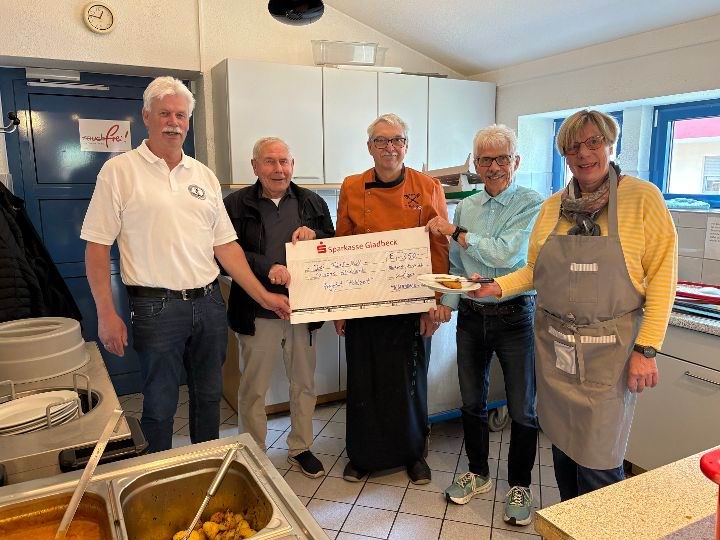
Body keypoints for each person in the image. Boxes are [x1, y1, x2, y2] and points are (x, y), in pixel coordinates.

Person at [469, 110, 677, 500]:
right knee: (562, 450)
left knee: (599, 464)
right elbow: (535, 272)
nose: (583, 154)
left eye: (593, 142)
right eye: (572, 147)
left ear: (610, 144)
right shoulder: (553, 207)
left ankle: (598, 526)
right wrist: (494, 287)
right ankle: (566, 523)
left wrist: (647, 349)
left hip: (608, 355)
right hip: (555, 350)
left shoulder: (641, 198)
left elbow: (664, 278)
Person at [81, 76, 290, 453]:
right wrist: (106, 314)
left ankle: (205, 467)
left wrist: (264, 296)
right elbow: (97, 248)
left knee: (208, 398)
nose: (173, 122)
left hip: (209, 304)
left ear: (188, 122)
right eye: (164, 113)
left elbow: (226, 247)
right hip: (155, 307)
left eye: (180, 115)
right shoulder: (119, 171)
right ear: (146, 116)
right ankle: (158, 475)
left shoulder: (203, 175)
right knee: (160, 404)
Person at [426, 124, 543, 525]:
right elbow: (458, 264)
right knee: (471, 402)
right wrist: (447, 302)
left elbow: (506, 255)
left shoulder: (531, 202)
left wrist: (456, 232)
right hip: (473, 319)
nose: (493, 167)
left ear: (516, 161)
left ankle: (520, 484)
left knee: (523, 408)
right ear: (475, 164)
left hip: (516, 317)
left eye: (501, 158)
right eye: (485, 159)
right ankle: (477, 473)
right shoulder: (468, 206)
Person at [334, 113, 449, 485]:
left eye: (397, 140)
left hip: (412, 303)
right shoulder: (352, 186)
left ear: (406, 145)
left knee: (410, 382)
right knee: (363, 379)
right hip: (364, 301)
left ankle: (413, 454)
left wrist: (434, 303)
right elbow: (341, 247)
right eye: (381, 141)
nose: (390, 147)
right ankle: (362, 456)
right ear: (369, 147)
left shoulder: (428, 186)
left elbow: (439, 248)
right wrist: (340, 307)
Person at [223, 137, 335, 478]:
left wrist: (315, 236)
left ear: (292, 165)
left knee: (304, 383)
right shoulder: (235, 204)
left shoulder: (312, 201)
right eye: (270, 161)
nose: (278, 169)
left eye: (284, 161)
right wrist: (267, 266)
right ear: (255, 166)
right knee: (253, 388)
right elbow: (225, 253)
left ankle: (300, 447)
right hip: (256, 311)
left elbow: (333, 244)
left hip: (303, 309)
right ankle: (253, 452)